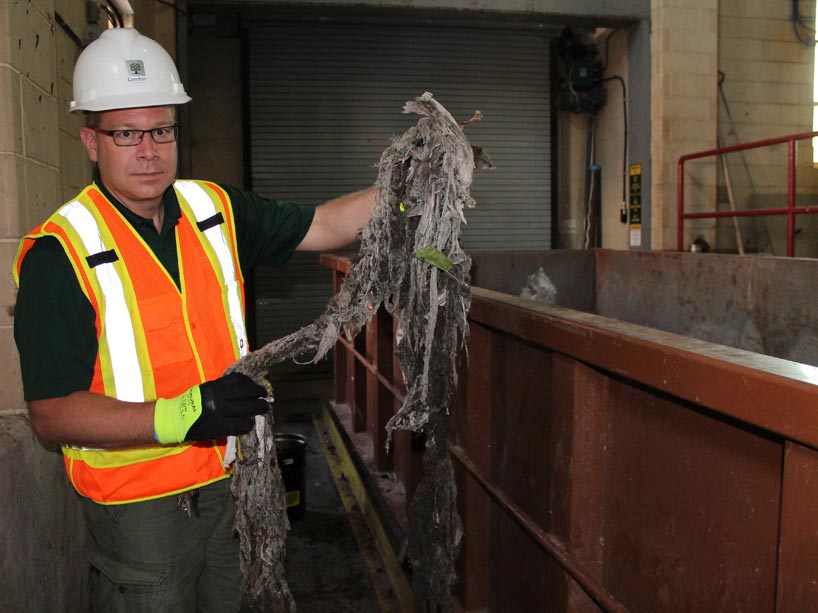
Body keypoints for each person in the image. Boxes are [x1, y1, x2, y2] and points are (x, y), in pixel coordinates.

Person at [12, 27, 375, 612]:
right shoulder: (62, 254)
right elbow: (51, 414)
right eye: (126, 134)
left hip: (228, 487)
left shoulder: (214, 211)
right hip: (140, 513)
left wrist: (411, 190)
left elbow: (329, 225)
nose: (148, 150)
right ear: (91, 141)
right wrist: (182, 414)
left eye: (160, 130)